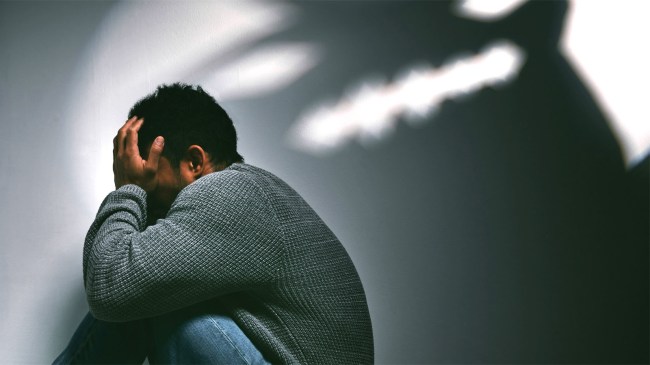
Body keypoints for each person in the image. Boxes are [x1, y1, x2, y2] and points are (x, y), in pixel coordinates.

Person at [54, 83, 374, 364]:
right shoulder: (249, 192)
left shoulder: (227, 191)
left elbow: (110, 285)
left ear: (194, 162)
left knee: (146, 292)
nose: (148, 194)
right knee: (147, 286)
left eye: (152, 178)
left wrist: (128, 188)